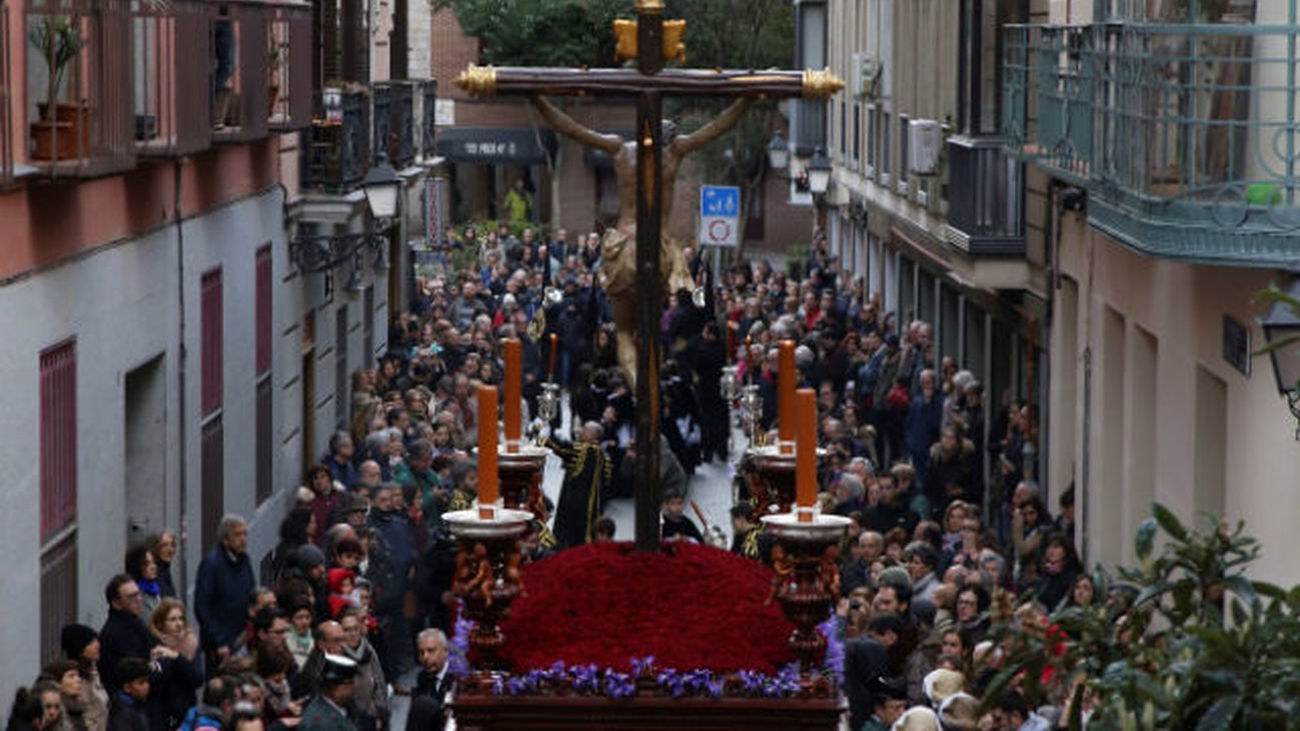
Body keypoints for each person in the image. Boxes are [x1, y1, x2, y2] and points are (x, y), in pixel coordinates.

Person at [195, 515, 257, 666]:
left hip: (243, 637)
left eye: (245, 534)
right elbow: (203, 606)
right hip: (221, 644)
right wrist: (219, 641)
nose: (243, 539)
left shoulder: (244, 560)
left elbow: (251, 593)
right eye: (237, 535)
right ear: (225, 540)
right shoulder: (212, 564)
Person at [540, 422, 612, 549]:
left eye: (585, 431)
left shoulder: (586, 450)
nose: (581, 432)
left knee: (571, 539)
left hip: (575, 506)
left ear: (594, 437)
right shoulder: (604, 456)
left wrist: (545, 437)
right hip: (596, 507)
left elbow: (562, 449)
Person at [145, 599, 204, 731]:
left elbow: (197, 677)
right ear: (161, 624)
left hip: (186, 713)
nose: (178, 624)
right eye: (172, 619)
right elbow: (154, 678)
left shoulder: (190, 642)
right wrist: (166, 658)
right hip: (160, 715)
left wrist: (176, 657)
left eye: (181, 618)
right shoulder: (153, 644)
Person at [97, 577, 157, 695]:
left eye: (138, 594)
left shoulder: (134, 622)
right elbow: (137, 670)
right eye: (132, 597)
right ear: (116, 604)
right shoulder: (116, 634)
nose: (139, 599)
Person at [61, 625, 109, 731]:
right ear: (79, 648)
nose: (97, 645)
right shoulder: (74, 679)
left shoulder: (93, 673)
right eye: (90, 643)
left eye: (96, 640)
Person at [406, 629, 452, 731]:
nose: (425, 657)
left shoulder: (457, 678)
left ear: (445, 651)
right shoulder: (423, 678)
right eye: (421, 652)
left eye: (431, 651)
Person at [299, 655, 358, 731]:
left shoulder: (347, 708)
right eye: (350, 683)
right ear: (335, 688)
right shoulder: (319, 724)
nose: (354, 687)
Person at [106, 659, 150, 731]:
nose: (147, 686)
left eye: (147, 681)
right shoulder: (122, 714)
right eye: (141, 683)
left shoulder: (138, 704)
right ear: (127, 688)